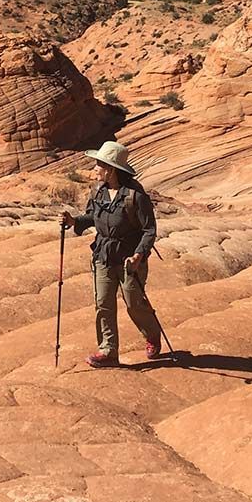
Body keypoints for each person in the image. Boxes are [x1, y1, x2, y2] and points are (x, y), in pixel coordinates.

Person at [61, 140, 166, 368]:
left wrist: (139, 255)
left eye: (98, 164)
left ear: (110, 169)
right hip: (103, 255)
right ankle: (108, 351)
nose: (95, 169)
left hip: (130, 259)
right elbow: (92, 217)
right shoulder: (98, 192)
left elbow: (149, 230)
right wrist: (73, 221)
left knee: (133, 302)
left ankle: (152, 335)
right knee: (103, 303)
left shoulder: (134, 196)